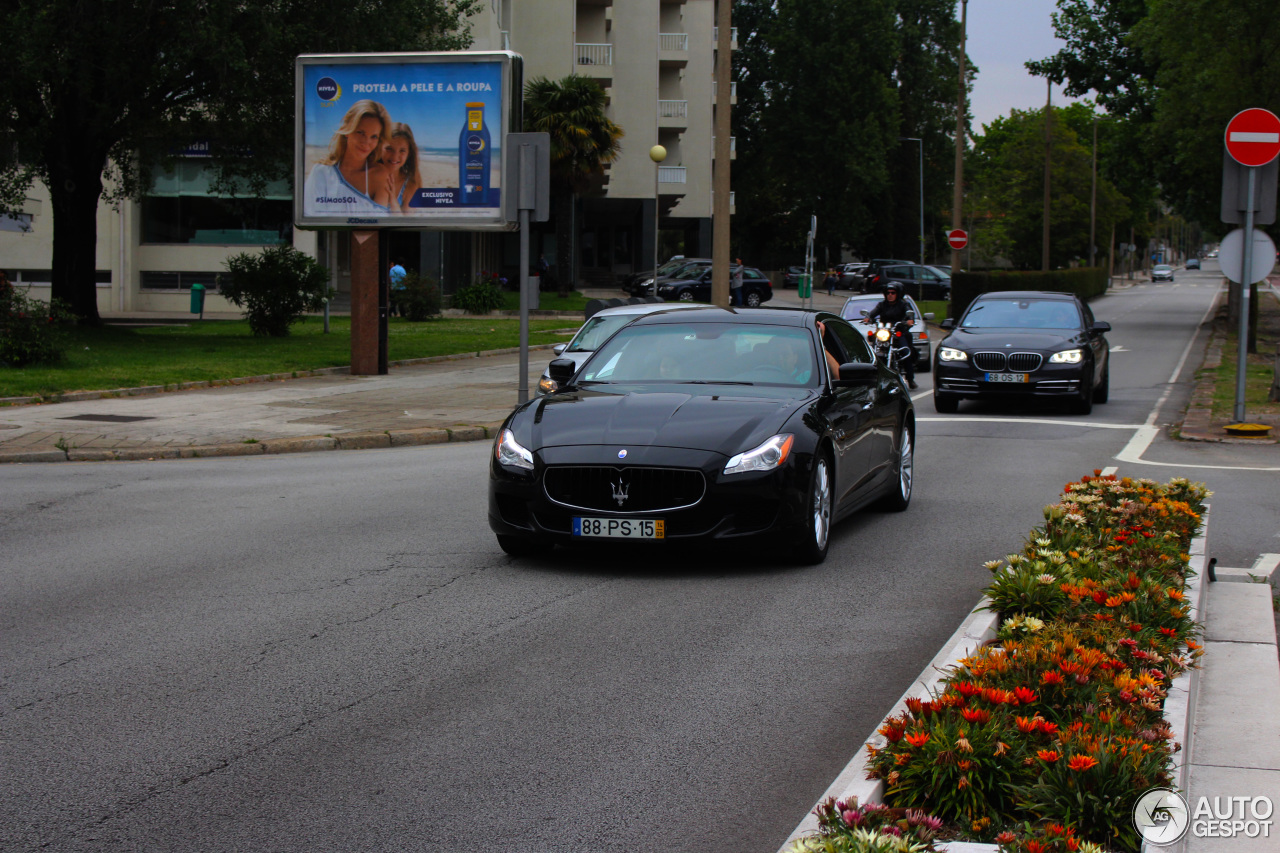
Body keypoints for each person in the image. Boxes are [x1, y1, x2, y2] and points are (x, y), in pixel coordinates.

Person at [302, 100, 393, 216]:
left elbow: (380, 224)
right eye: (360, 132)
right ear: (347, 131)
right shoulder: (321, 172)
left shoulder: (380, 174)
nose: (366, 142)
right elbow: (311, 217)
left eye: (374, 136)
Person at [863, 282, 917, 389]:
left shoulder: (903, 304)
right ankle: (871, 377)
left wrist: (909, 320)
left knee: (905, 352)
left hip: (897, 332)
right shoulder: (882, 305)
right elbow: (874, 312)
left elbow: (909, 313)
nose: (890, 295)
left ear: (898, 294)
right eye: (888, 293)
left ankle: (910, 379)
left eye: (893, 293)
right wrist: (868, 317)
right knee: (872, 349)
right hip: (884, 332)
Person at [376, 123, 422, 214]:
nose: (395, 156)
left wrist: (393, 200)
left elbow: (406, 225)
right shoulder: (366, 174)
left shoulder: (410, 185)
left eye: (402, 151)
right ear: (380, 147)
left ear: (409, 153)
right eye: (389, 149)